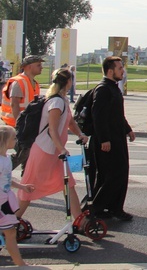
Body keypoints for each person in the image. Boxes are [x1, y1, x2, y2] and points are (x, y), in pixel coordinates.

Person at [15, 69, 87, 222]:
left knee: (69, 184)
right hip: (44, 151)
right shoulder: (56, 102)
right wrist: (62, 148)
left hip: (54, 152)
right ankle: (10, 222)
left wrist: (80, 134)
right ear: (68, 82)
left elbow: (70, 122)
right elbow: (52, 130)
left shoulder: (62, 100)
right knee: (29, 187)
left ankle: (79, 221)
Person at [90, 56, 135, 221]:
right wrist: (104, 140)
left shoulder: (113, 88)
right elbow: (98, 117)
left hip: (117, 138)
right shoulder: (103, 89)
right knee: (114, 174)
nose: (123, 71)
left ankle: (113, 207)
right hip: (107, 141)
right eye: (120, 68)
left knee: (117, 174)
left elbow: (117, 115)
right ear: (110, 71)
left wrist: (128, 130)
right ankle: (97, 208)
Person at [1, 55, 43, 171]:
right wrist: (19, 125)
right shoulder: (19, 82)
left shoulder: (34, 83)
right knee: (24, 152)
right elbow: (14, 104)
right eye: (38, 65)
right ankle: (4, 172)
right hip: (14, 125)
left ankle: (26, 180)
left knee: (27, 154)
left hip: (26, 125)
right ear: (29, 67)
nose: (42, 67)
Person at [0, 126, 34, 266]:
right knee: (10, 232)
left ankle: (20, 263)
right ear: (4, 141)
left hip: (5, 200)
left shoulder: (7, 159)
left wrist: (22, 187)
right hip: (2, 203)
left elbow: (6, 180)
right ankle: (20, 264)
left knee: (10, 232)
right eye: (13, 138)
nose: (16, 140)